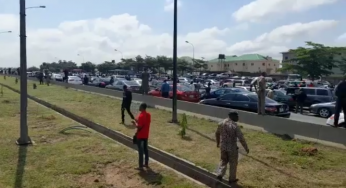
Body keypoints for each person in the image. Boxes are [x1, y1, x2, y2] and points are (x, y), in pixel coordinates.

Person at [215, 111, 249, 184]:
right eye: (237, 116)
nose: (238, 118)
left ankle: (220, 174)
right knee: (233, 163)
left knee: (223, 161)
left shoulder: (221, 123)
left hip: (223, 146)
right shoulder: (234, 126)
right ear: (232, 116)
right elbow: (241, 138)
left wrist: (218, 143)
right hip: (232, 148)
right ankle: (232, 179)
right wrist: (246, 147)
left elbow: (217, 133)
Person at [132, 103, 151, 170]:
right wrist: (137, 120)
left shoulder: (141, 116)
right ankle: (146, 163)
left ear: (142, 107)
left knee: (140, 151)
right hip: (146, 135)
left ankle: (140, 166)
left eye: (140, 106)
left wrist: (135, 123)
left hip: (140, 135)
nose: (139, 107)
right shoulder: (148, 115)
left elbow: (139, 126)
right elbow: (145, 123)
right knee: (146, 149)